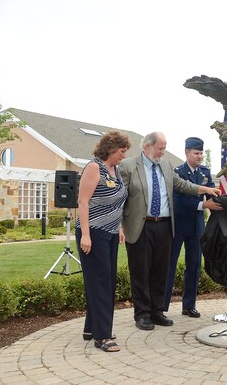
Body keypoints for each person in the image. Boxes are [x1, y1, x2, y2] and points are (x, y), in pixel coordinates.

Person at [119, 132, 221, 331]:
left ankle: (157, 311)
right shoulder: (129, 166)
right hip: (141, 225)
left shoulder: (165, 166)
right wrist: (119, 225)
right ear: (147, 147)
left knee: (160, 270)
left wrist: (205, 190)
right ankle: (142, 314)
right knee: (141, 270)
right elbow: (121, 198)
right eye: (161, 148)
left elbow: (182, 185)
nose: (163, 152)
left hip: (164, 226)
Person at [76, 131, 131, 352]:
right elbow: (83, 201)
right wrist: (86, 235)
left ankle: (91, 328)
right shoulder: (93, 167)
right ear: (110, 149)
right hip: (94, 233)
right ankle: (102, 336)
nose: (123, 156)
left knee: (104, 280)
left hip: (109, 233)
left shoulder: (114, 170)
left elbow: (115, 204)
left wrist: (118, 227)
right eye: (121, 152)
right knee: (101, 283)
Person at [164, 137, 223, 318]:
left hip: (197, 226)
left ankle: (189, 305)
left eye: (201, 153)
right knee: (170, 266)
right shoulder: (178, 172)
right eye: (196, 153)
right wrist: (203, 206)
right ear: (187, 152)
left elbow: (211, 194)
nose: (199, 157)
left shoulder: (205, 172)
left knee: (194, 266)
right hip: (179, 225)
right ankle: (161, 306)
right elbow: (179, 200)